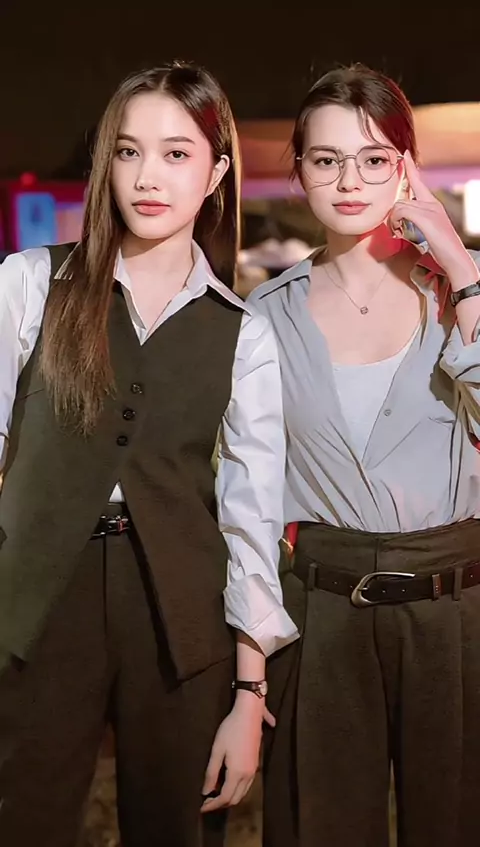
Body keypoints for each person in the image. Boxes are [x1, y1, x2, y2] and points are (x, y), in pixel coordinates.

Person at [0, 61, 298, 847]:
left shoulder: (245, 334)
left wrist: (249, 694)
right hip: (34, 603)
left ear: (217, 173)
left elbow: (252, 523)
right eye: (128, 152)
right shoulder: (30, 284)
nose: (147, 176)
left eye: (176, 153)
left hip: (181, 620)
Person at [250, 64, 480, 847]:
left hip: (456, 608)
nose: (350, 181)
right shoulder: (263, 316)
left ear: (407, 167)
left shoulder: (463, 293)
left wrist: (461, 269)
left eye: (374, 158)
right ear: (300, 170)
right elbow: (244, 491)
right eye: (327, 159)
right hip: (322, 610)